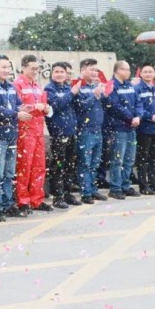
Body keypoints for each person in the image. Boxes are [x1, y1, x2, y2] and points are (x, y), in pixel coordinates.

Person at [0, 55, 25, 221]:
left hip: (11, 135)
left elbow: (18, 104)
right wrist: (16, 114)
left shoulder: (11, 86)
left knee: (9, 172)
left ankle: (8, 204)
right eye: (3, 67)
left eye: (9, 67)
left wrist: (25, 108)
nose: (7, 70)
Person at [14, 55, 52, 213]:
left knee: (39, 166)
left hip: (38, 130)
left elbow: (43, 105)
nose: (35, 71)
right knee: (24, 166)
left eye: (37, 69)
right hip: (25, 131)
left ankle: (37, 199)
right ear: (23, 68)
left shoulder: (37, 86)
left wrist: (46, 109)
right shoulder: (17, 85)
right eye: (32, 68)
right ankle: (23, 201)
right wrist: (34, 107)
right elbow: (17, 107)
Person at [44, 62, 81, 208]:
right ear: (52, 74)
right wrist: (72, 93)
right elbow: (57, 105)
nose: (59, 74)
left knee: (70, 165)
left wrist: (75, 93)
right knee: (58, 165)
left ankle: (68, 193)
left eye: (62, 72)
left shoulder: (67, 88)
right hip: (58, 134)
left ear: (66, 74)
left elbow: (77, 106)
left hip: (71, 132)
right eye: (56, 71)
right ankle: (58, 196)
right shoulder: (49, 89)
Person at [74, 59, 108, 202]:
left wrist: (103, 93)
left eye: (96, 70)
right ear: (83, 70)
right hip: (85, 130)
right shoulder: (78, 86)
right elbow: (80, 106)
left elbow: (106, 104)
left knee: (95, 163)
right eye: (91, 70)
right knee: (85, 163)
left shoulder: (95, 85)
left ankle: (93, 189)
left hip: (97, 129)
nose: (95, 73)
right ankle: (86, 192)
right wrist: (94, 95)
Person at [108, 61, 141, 197]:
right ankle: (115, 188)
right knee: (117, 160)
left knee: (129, 160)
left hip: (131, 128)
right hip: (119, 128)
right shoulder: (112, 86)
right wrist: (130, 118)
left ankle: (125, 185)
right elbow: (115, 106)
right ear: (118, 70)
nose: (129, 72)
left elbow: (138, 102)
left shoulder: (129, 86)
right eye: (126, 70)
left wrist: (138, 116)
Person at [134, 64, 155, 195]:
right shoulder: (138, 89)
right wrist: (150, 116)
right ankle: (143, 185)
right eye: (145, 72)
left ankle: (153, 183)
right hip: (144, 128)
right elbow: (137, 108)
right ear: (141, 74)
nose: (148, 74)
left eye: (150, 72)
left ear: (154, 74)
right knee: (143, 158)